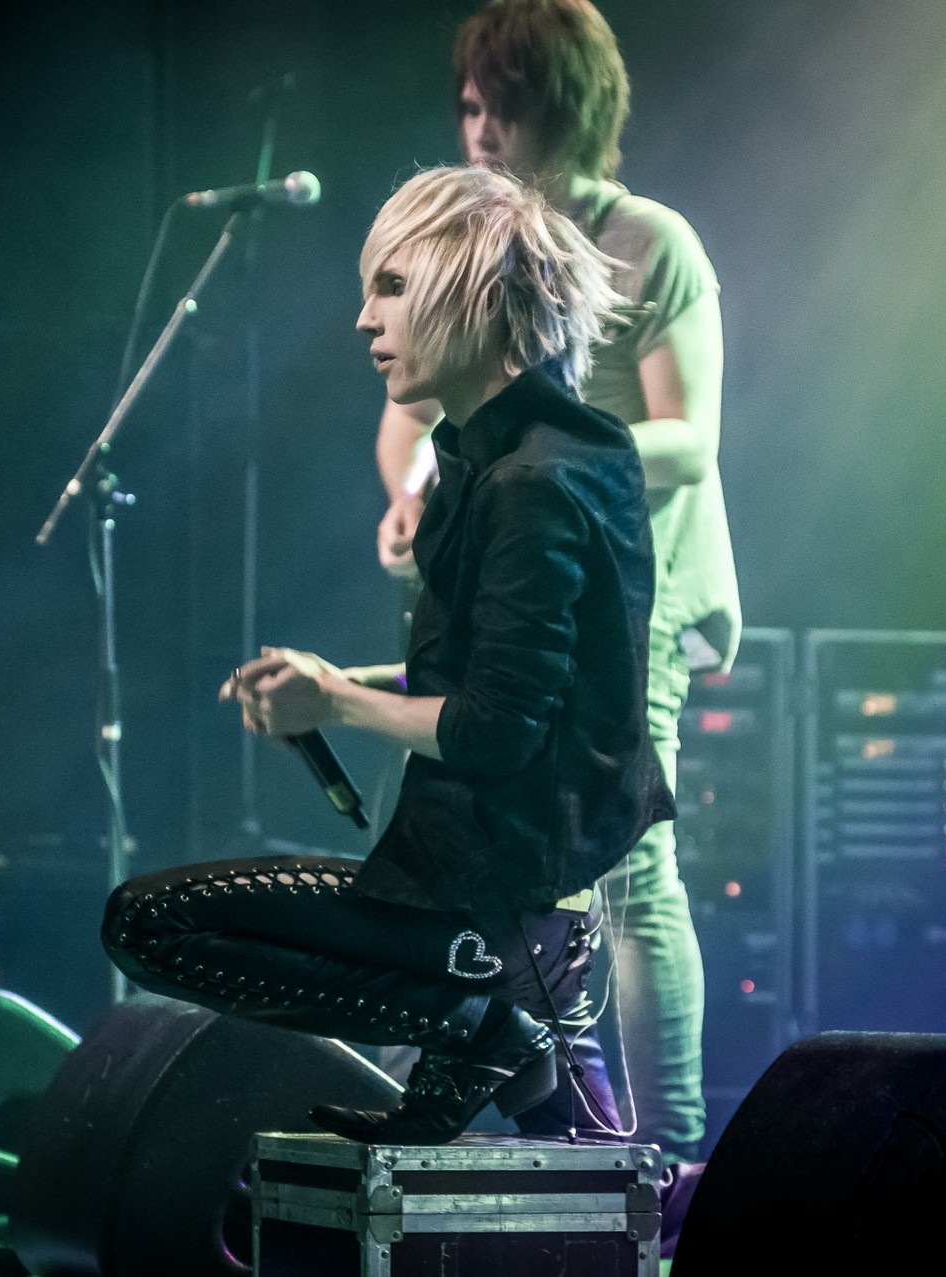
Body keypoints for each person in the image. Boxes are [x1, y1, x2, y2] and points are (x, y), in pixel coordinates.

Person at [101, 163, 672, 1144]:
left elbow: (496, 728)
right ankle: (501, 1032)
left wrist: (333, 703)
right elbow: (504, 677)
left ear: (475, 290)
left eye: (393, 287)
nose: (365, 319)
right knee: (586, 1166)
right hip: (509, 896)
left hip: (501, 904)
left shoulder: (528, 482)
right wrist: (336, 681)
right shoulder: (530, 452)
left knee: (150, 924)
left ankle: (481, 1021)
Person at [373, 0, 740, 1164]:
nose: (480, 129)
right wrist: (416, 494)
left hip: (637, 587)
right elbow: (408, 420)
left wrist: (546, 462)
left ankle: (670, 1153)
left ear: (566, 106)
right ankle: (576, 1125)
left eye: (505, 105)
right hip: (517, 576)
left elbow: (691, 435)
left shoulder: (651, 242)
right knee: (504, 851)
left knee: (631, 858)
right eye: (468, 106)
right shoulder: (468, 246)